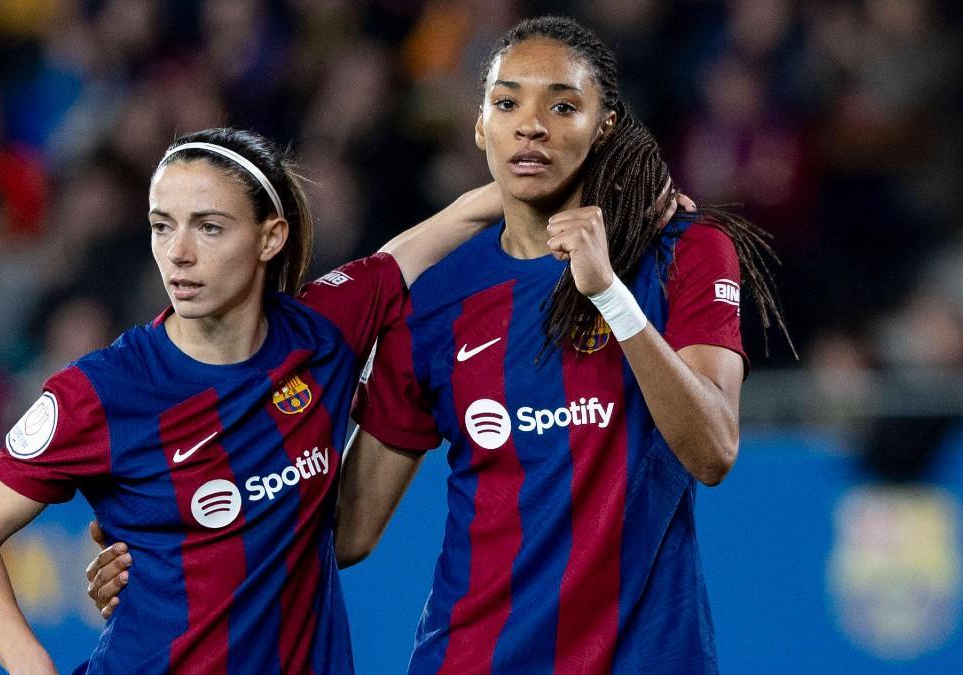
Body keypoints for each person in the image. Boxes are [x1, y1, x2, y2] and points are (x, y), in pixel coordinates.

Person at [87, 15, 788, 674]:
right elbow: (348, 529)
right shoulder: (435, 299)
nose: (532, 127)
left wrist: (610, 295)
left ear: (605, 128)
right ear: (480, 127)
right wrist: (161, 543)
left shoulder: (685, 252)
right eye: (507, 104)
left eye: (562, 106)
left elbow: (713, 447)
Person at [0, 127, 504, 674]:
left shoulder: (321, 335)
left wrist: (574, 169)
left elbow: (442, 229)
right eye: (163, 226)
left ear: (269, 237)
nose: (178, 253)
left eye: (208, 227)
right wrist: (32, 668)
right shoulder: (102, 391)